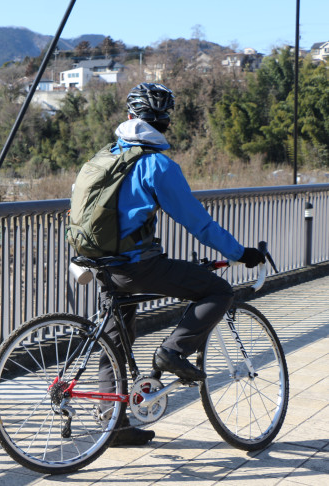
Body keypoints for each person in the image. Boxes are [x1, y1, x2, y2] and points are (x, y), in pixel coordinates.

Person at [93, 83, 265, 446]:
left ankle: (114, 425)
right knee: (217, 290)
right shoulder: (156, 164)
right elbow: (197, 222)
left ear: (129, 118)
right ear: (166, 122)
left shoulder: (105, 157)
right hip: (136, 265)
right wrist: (240, 253)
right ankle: (172, 352)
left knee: (113, 337)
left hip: (98, 262)